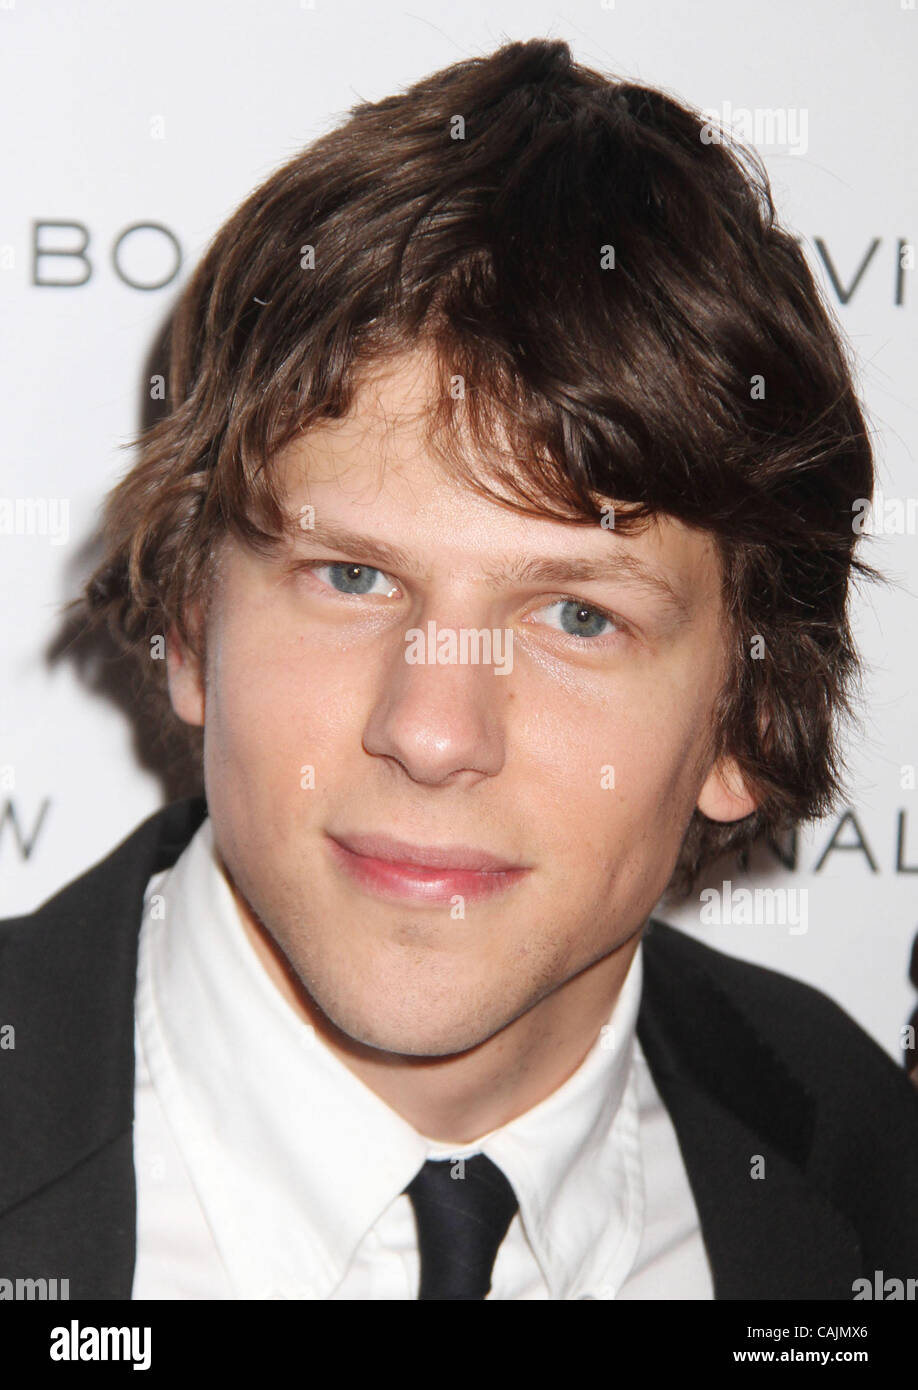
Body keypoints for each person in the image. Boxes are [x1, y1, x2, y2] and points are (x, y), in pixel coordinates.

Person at [3, 37, 917, 1302]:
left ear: (747, 718)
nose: (432, 733)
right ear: (194, 620)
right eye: (354, 578)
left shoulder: (870, 1182)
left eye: (578, 618)